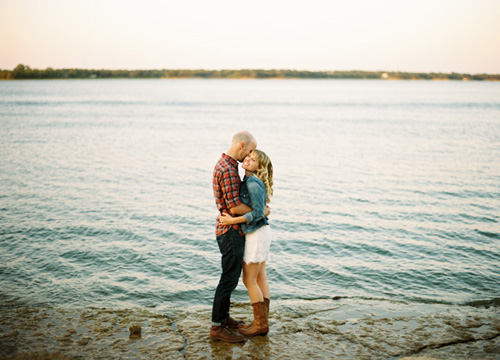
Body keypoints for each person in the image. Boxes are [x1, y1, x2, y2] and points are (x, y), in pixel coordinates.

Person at [219, 149, 273, 337]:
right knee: (260, 278)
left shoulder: (252, 182)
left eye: (253, 159)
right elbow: (262, 211)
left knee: (249, 279)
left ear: (259, 167)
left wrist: (232, 221)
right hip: (262, 232)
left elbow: (258, 212)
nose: (248, 159)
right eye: (248, 156)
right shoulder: (250, 180)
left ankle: (260, 325)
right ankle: (261, 322)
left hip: (256, 233)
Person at [210, 131, 257, 343]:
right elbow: (234, 207)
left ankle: (224, 318)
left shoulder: (226, 165)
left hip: (229, 230)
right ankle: (217, 327)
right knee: (228, 279)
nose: (250, 155)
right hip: (230, 232)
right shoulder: (228, 170)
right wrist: (258, 211)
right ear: (241, 145)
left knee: (230, 277)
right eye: (249, 150)